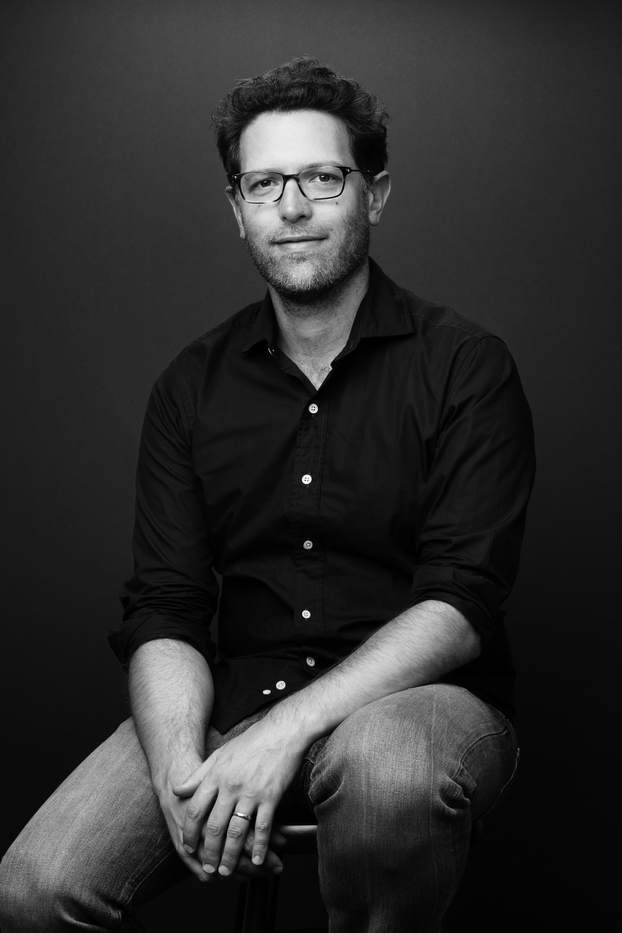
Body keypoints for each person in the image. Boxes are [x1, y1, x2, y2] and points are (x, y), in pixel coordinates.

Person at [0, 57, 535, 932]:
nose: (291, 207)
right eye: (263, 183)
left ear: (374, 194)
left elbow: (462, 602)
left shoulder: (465, 368)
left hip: (421, 706)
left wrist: (282, 734)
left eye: (322, 177)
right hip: (235, 698)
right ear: (237, 206)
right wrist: (179, 772)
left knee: (388, 772)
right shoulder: (190, 387)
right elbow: (167, 606)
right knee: (34, 887)